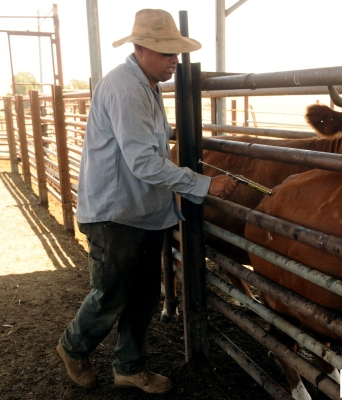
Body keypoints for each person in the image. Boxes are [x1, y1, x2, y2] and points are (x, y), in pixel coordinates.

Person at [56, 9, 237, 394]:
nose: (175, 59)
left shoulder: (148, 87)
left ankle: (129, 366)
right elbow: (142, 161)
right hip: (115, 212)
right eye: (166, 52)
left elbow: (154, 147)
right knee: (112, 292)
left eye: (176, 52)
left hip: (143, 210)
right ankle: (73, 346)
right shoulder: (125, 88)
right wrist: (200, 185)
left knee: (143, 294)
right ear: (140, 49)